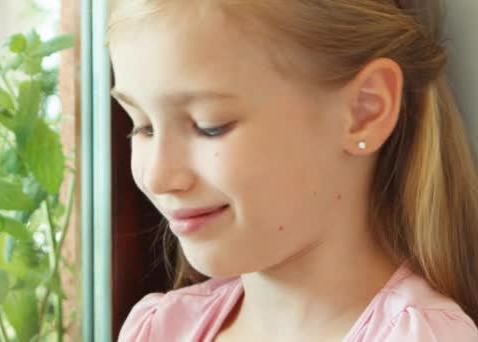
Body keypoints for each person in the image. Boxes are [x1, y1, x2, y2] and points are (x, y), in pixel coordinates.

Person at [108, 0, 478, 340]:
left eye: (210, 125)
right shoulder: (158, 330)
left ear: (365, 111)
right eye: (143, 126)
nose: (157, 176)